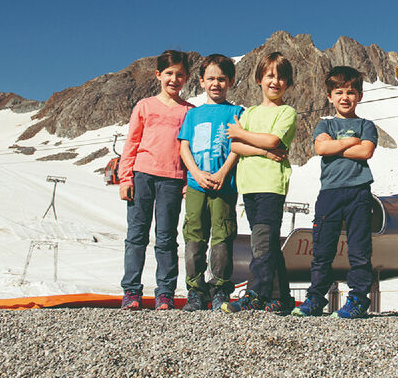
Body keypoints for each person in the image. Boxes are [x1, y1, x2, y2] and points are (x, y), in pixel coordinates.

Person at [291, 66, 377, 319]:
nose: (345, 97)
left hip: (359, 193)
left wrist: (334, 146)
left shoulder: (367, 125)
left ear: (359, 96)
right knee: (322, 250)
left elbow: (365, 152)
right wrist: (350, 142)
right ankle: (316, 298)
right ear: (329, 96)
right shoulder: (324, 123)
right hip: (329, 194)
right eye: (338, 92)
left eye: (351, 92)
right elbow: (320, 148)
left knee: (359, 249)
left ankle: (359, 299)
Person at [221, 52, 297, 314]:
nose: (275, 82)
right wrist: (260, 149)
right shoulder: (250, 112)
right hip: (249, 185)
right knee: (267, 242)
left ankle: (255, 293)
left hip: (271, 185)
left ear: (288, 83)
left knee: (261, 242)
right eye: (270, 76)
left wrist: (244, 135)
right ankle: (281, 297)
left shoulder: (287, 112)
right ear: (259, 79)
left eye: (281, 77)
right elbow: (236, 145)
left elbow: (273, 140)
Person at [118, 50, 194, 311]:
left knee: (166, 238)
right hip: (142, 177)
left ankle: (165, 292)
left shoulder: (189, 111)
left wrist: (186, 180)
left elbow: (189, 150)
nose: (174, 79)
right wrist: (125, 178)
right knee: (136, 235)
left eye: (180, 74)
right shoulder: (144, 106)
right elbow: (132, 143)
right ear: (158, 75)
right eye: (169, 73)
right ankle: (131, 291)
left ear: (187, 78)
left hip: (172, 180)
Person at [178, 54, 244, 311]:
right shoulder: (194, 115)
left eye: (222, 79)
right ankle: (195, 291)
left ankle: (220, 289)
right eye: (211, 79)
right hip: (196, 186)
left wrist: (222, 173)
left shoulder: (237, 112)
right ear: (201, 82)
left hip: (223, 187)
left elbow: (237, 146)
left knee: (222, 237)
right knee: (194, 236)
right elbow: (185, 147)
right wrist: (195, 172)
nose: (216, 84)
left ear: (231, 82)